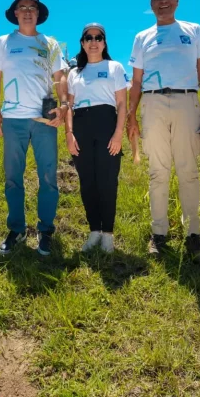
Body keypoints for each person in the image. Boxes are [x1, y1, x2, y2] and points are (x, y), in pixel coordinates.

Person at [127, 0, 200, 262]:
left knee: (188, 170)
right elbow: (136, 81)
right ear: (151, 4)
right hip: (152, 104)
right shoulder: (142, 37)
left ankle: (193, 235)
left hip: (187, 101)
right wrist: (131, 118)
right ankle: (159, 234)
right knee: (158, 171)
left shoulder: (194, 30)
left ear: (177, 0)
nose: (163, 1)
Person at [0, 0, 69, 256]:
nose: (26, 11)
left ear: (38, 13)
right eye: (21, 7)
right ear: (14, 13)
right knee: (13, 178)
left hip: (44, 119)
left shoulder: (50, 44)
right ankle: (17, 229)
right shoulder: (3, 42)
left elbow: (60, 78)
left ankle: (45, 231)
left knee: (48, 178)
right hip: (12, 119)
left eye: (31, 7)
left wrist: (63, 105)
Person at [65, 23, 127, 253]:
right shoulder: (74, 73)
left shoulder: (115, 67)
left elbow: (121, 104)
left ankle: (108, 234)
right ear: (82, 43)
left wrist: (118, 133)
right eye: (88, 37)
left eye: (98, 37)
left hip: (106, 125)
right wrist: (69, 134)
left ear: (104, 42)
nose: (93, 41)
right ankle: (94, 231)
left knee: (107, 181)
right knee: (87, 181)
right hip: (81, 126)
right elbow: (69, 106)